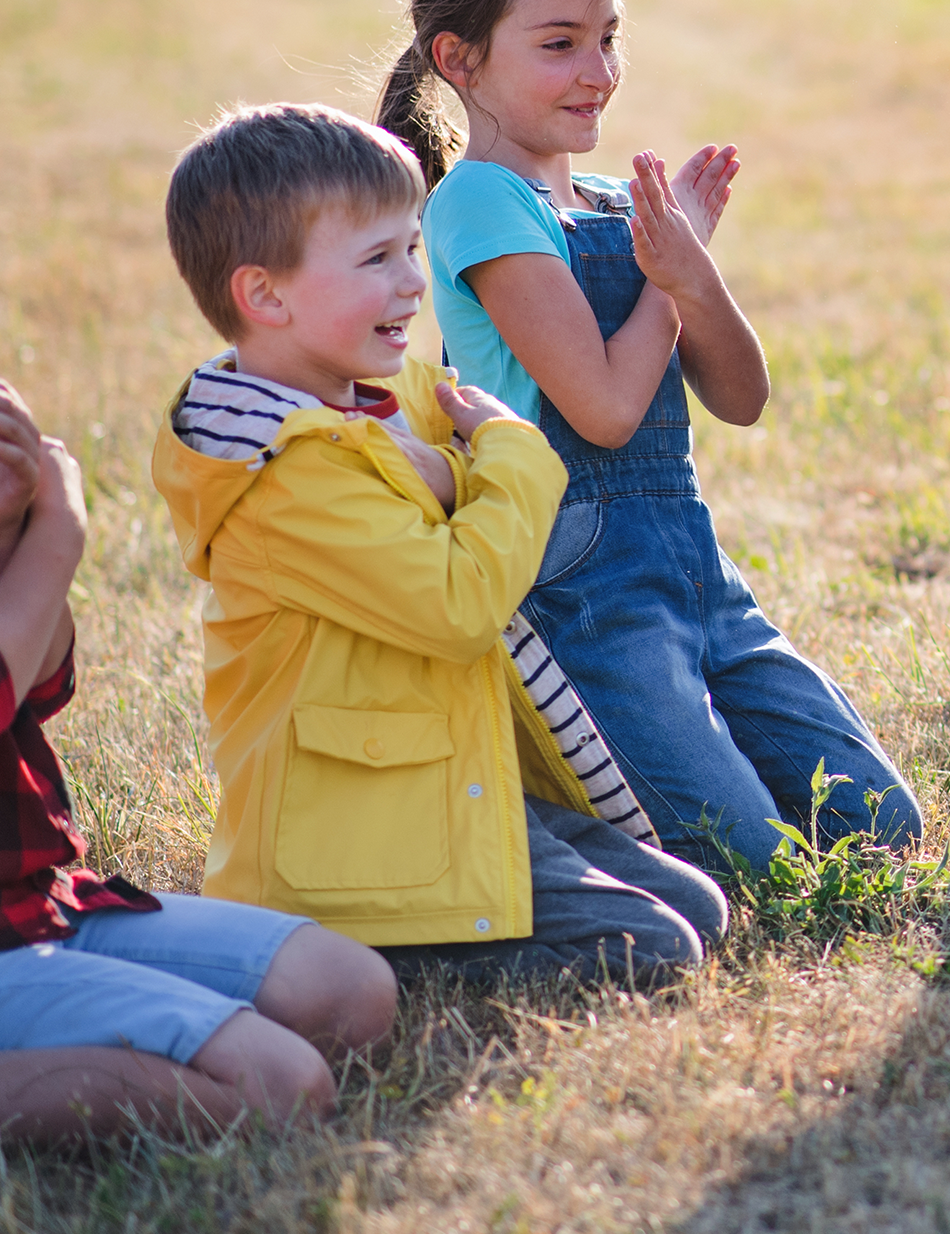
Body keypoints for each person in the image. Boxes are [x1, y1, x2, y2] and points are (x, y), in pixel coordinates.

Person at [376, 0, 923, 875]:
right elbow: (604, 406)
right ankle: (529, 798)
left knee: (880, 829)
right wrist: (671, 276)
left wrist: (692, 268)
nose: (597, 72)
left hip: (690, 563)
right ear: (458, 59)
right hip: (580, 576)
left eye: (607, 38)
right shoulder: (475, 200)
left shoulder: (606, 201)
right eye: (558, 43)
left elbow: (740, 396)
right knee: (754, 861)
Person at [152, 102, 728, 987]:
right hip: (352, 838)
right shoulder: (282, 472)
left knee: (702, 908)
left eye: (411, 248)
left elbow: (443, 460)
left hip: (443, 782)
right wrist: (512, 454)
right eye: (376, 259)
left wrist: (461, 465)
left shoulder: (387, 397)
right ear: (264, 294)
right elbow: (461, 606)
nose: (414, 283)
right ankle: (348, 956)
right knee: (655, 950)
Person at [0, 129, 396, 1144]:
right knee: (281, 1086)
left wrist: (1, 542)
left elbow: (30, 691)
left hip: (32, 895)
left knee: (354, 992)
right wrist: (59, 534)